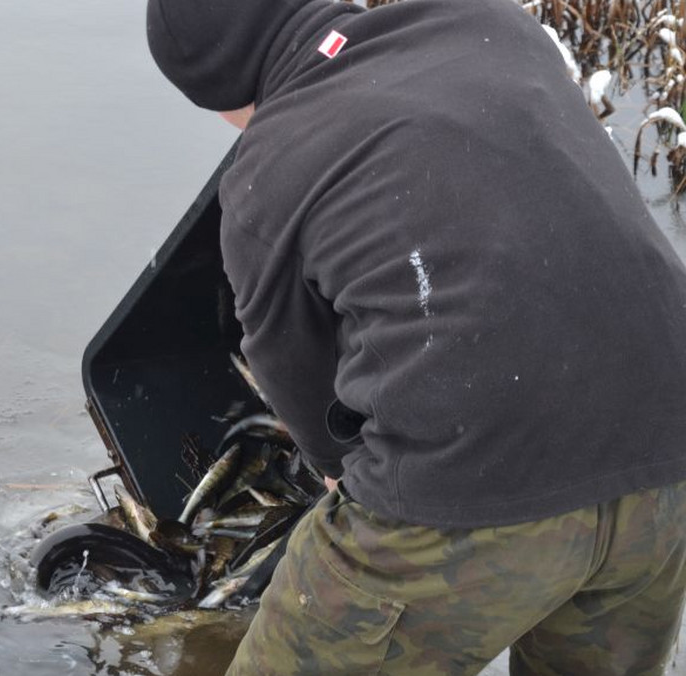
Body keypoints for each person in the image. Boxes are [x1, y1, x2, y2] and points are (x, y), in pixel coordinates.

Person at [146, 0, 686, 674]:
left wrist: (339, 468)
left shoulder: (265, 170)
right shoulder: (490, 22)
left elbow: (291, 368)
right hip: (665, 459)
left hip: (470, 480)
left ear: (219, 92)